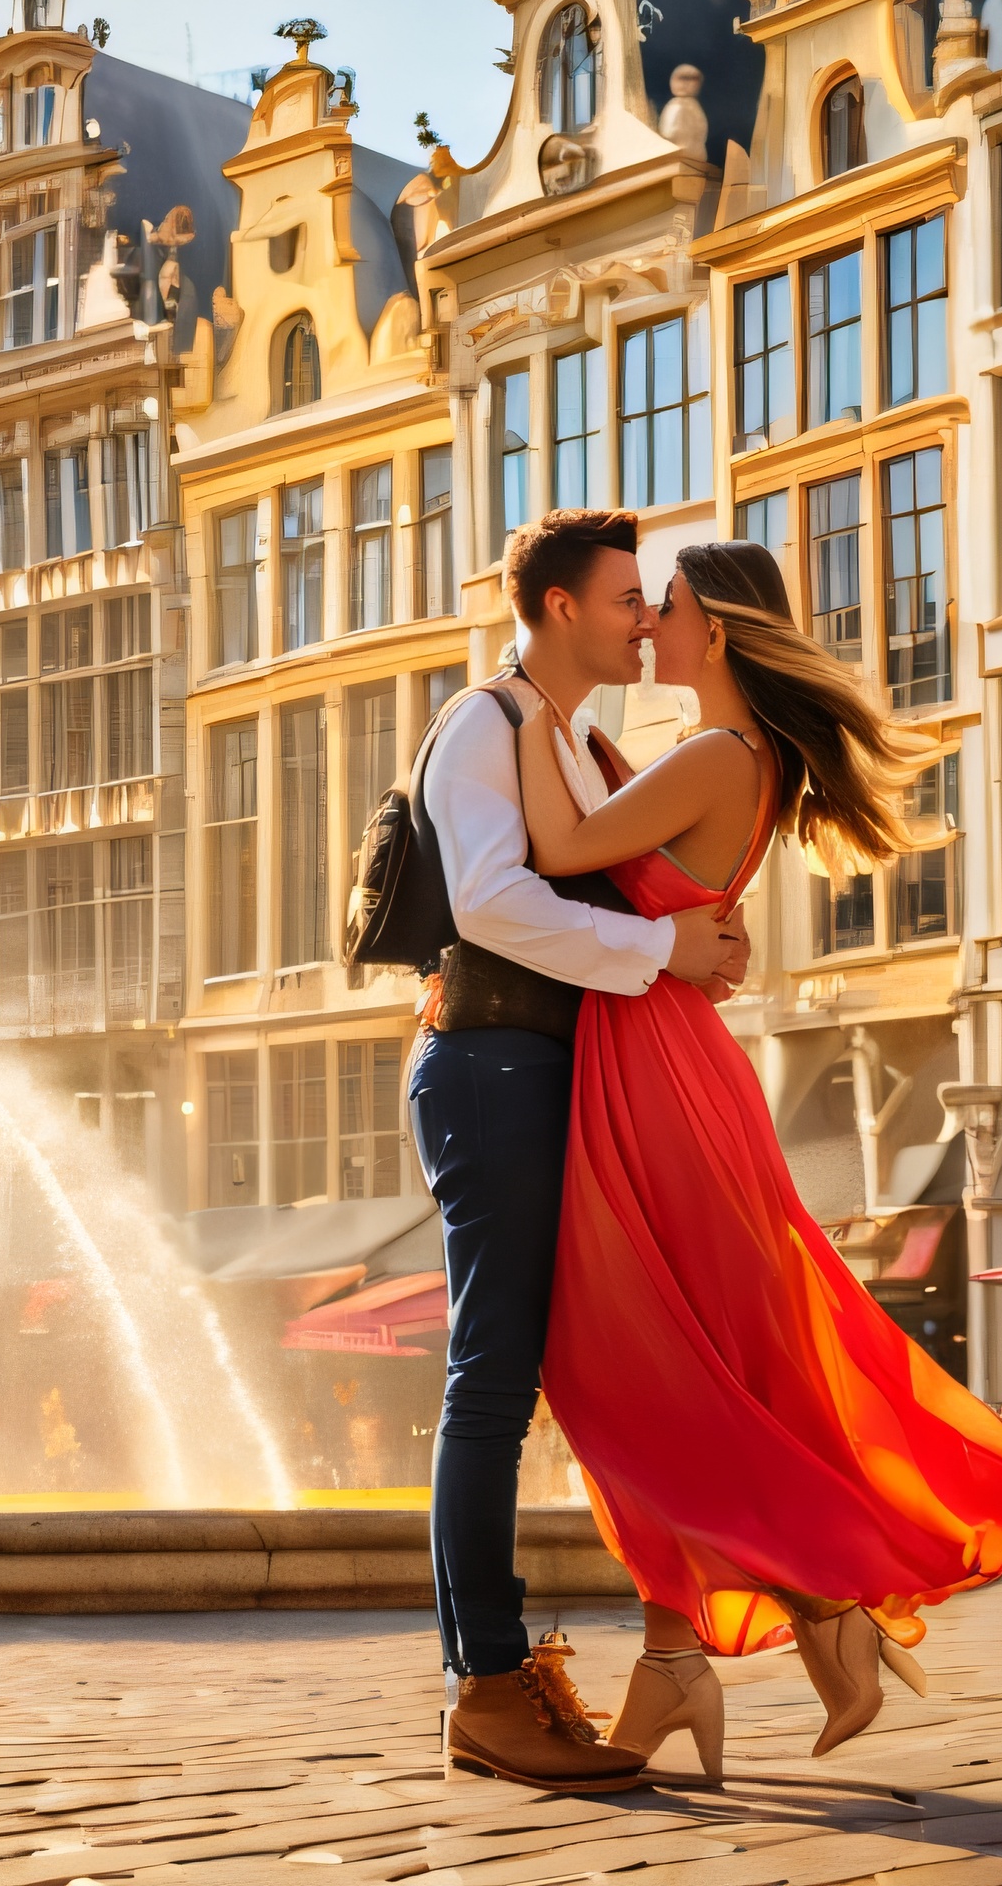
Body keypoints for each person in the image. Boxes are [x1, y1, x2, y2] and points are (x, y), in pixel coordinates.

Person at [501, 535, 1002, 1781]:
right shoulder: (735, 759)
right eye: (641, 606)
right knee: (676, 1362)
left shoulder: (712, 754)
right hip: (663, 1059)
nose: (648, 626)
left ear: (724, 633)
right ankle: (677, 1665)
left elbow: (559, 846)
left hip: (654, 1071)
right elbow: (622, 860)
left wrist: (532, 697)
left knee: (638, 1371)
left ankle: (824, 1596)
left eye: (670, 608)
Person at [397, 510, 756, 1793]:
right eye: (623, 601)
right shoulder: (484, 727)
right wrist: (670, 950)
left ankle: (542, 1673)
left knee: (540, 1373)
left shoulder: (576, 746)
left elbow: (602, 886)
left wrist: (694, 941)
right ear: (558, 609)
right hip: (492, 1063)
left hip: (547, 1066)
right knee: (491, 1378)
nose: (644, 621)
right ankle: (488, 1686)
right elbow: (496, 901)